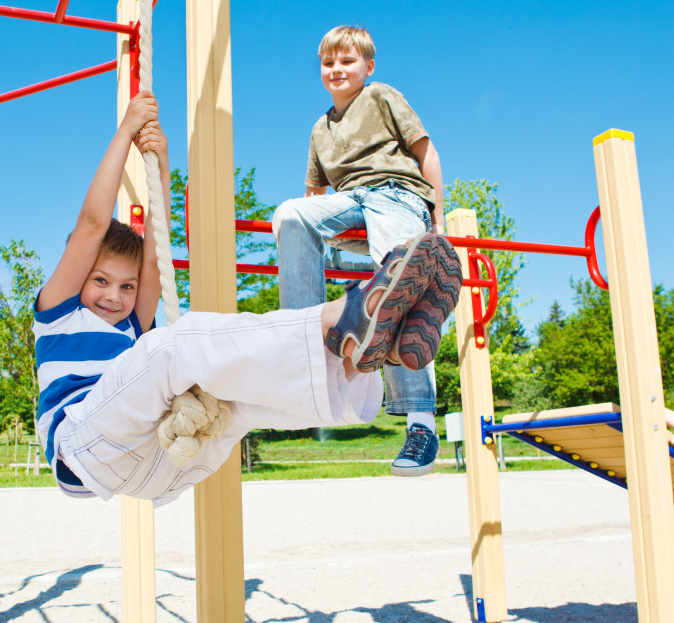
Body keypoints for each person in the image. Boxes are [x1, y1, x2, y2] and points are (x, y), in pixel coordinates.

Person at [32, 91, 460, 506]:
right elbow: (91, 224)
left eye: (127, 287)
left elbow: (157, 247)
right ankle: (345, 315)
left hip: (163, 463)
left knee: (238, 395)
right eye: (101, 281)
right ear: (79, 277)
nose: (116, 296)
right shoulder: (59, 314)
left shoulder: (131, 324)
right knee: (177, 343)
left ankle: (358, 359)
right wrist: (126, 131)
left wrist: (159, 164)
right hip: (84, 447)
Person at [273, 25, 455, 477]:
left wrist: (438, 220)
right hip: (350, 204)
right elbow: (314, 196)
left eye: (347, 61)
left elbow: (426, 152)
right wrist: (329, 234)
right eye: (328, 63)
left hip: (397, 194)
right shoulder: (320, 129)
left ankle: (419, 423)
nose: (337, 69)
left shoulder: (381, 97)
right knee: (290, 216)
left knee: (395, 284)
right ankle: (309, 344)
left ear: (367, 67)